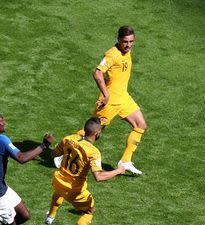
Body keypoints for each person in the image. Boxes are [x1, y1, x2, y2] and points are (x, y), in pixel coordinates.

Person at [54, 26, 147, 174]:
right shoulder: (112, 54)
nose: (128, 45)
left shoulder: (127, 51)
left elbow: (112, 76)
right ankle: (62, 153)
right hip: (109, 102)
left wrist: (108, 83)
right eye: (125, 42)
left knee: (141, 124)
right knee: (93, 131)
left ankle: (125, 161)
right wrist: (106, 94)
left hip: (123, 97)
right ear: (118, 40)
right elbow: (97, 74)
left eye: (131, 41)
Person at [46, 117, 125, 225]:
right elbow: (98, 177)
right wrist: (118, 171)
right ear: (98, 133)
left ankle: (51, 216)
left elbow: (53, 154)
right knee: (90, 210)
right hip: (74, 191)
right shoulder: (93, 152)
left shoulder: (68, 138)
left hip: (58, 180)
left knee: (59, 192)